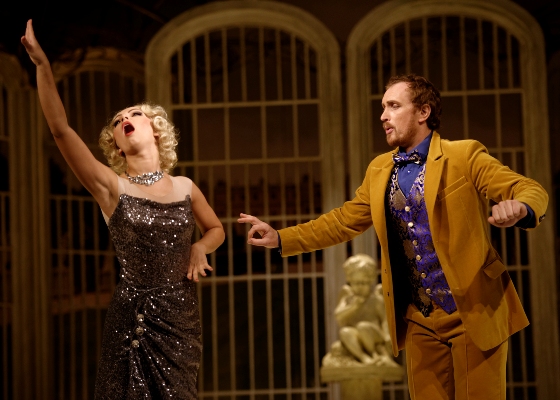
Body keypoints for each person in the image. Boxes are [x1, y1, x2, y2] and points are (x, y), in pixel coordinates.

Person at [238, 73, 548, 399]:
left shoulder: (463, 155)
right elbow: (342, 221)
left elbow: (527, 188)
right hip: (419, 319)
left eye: (394, 106)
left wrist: (522, 207)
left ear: (423, 112)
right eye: (383, 107)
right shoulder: (379, 170)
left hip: (474, 310)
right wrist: (281, 238)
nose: (383, 116)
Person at [22, 20, 225, 399]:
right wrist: (42, 66)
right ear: (116, 145)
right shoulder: (112, 187)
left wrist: (200, 247)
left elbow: (216, 230)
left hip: (181, 318)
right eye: (117, 121)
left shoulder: (185, 187)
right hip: (132, 319)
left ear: (156, 130)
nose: (124, 120)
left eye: (133, 114)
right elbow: (60, 129)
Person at [334, 254, 394, 366]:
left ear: (371, 281)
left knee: (363, 327)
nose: (360, 287)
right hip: (357, 335)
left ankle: (374, 354)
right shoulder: (348, 299)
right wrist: (353, 306)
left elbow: (385, 320)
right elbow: (338, 315)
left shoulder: (375, 299)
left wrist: (387, 336)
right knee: (345, 332)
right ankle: (364, 358)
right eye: (356, 283)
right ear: (349, 281)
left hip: (374, 334)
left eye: (364, 283)